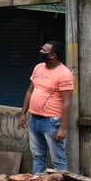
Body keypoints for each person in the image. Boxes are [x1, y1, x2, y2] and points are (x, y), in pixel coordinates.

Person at [19, 41, 73, 173]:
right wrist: (23, 114)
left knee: (58, 160)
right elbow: (30, 91)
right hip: (34, 120)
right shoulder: (38, 67)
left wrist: (63, 128)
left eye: (44, 51)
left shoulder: (64, 74)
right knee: (37, 157)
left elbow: (67, 102)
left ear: (53, 55)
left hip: (52, 121)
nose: (41, 52)